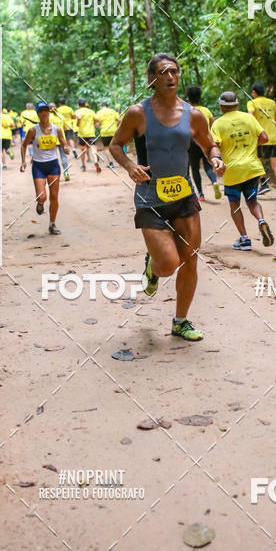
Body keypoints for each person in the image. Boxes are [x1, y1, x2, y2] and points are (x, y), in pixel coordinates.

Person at [110, 53, 225, 342]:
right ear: (151, 79)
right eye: (163, 72)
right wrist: (130, 166)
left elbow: (210, 145)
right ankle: (153, 266)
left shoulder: (194, 114)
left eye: (174, 71)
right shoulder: (138, 113)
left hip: (184, 196)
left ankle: (180, 321)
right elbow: (115, 145)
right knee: (168, 264)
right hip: (150, 197)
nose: (170, 76)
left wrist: (216, 159)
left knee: (190, 259)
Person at [211, 91, 274, 250]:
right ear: (237, 105)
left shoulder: (218, 124)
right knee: (253, 201)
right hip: (252, 168)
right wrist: (252, 145)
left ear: (221, 106)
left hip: (232, 171)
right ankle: (261, 221)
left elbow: (215, 146)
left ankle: (244, 239)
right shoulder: (249, 118)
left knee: (235, 205)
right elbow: (265, 138)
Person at [20, 101, 69, 235]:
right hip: (39, 166)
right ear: (38, 114)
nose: (44, 113)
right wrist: (23, 161)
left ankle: (52, 224)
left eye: (46, 110)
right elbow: (24, 145)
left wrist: (66, 148)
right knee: (42, 197)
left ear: (49, 113)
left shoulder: (56, 129)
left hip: (53, 165)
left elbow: (64, 144)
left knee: (54, 196)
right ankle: (40, 203)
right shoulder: (33, 130)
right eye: (41, 111)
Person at [247, 82, 276, 201]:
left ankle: (263, 183)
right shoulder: (272, 103)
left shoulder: (251, 102)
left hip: (261, 138)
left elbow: (250, 116)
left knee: (257, 162)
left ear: (254, 92)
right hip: (273, 138)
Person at [185, 85, 222, 201]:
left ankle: (200, 194)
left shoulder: (186, 110)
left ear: (188, 98)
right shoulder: (206, 110)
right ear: (200, 98)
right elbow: (212, 124)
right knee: (208, 165)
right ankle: (214, 181)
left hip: (191, 141)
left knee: (195, 168)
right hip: (205, 139)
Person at [75, 99, 101, 172]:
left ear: (78, 105)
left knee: (83, 149)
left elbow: (77, 122)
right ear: (85, 104)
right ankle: (95, 161)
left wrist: (78, 123)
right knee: (93, 148)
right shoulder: (91, 111)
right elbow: (97, 120)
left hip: (81, 133)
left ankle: (83, 166)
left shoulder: (77, 112)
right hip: (91, 133)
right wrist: (96, 126)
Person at [95, 102, 121, 168]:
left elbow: (97, 124)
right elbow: (119, 120)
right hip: (114, 131)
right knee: (116, 147)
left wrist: (96, 126)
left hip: (104, 132)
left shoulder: (99, 112)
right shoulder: (113, 111)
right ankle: (121, 163)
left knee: (106, 148)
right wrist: (116, 125)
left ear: (101, 106)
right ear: (107, 106)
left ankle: (111, 163)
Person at [49, 103, 70, 182]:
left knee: (53, 158)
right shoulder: (61, 116)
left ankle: (54, 175)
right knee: (64, 157)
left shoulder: (48, 117)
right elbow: (65, 128)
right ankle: (66, 173)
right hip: (62, 140)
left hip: (51, 140)